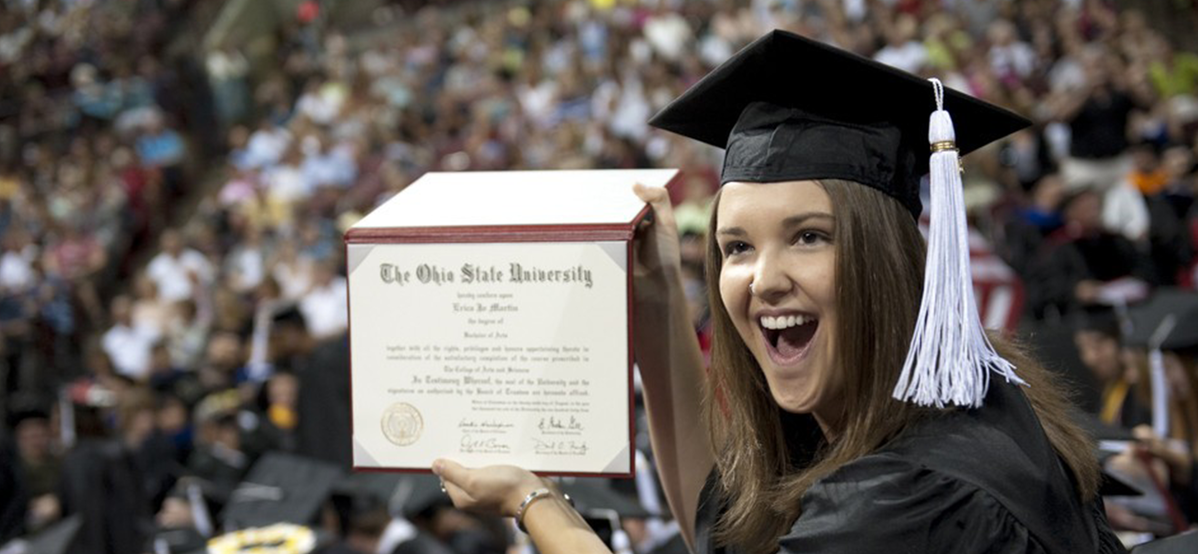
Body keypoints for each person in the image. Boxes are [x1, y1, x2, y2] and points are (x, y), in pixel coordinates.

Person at [432, 31, 1124, 553]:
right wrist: (656, 295)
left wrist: (534, 500)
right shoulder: (945, 416)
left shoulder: (913, 494)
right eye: (736, 247)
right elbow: (721, 526)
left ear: (888, 260)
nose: (763, 278)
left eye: (809, 236)